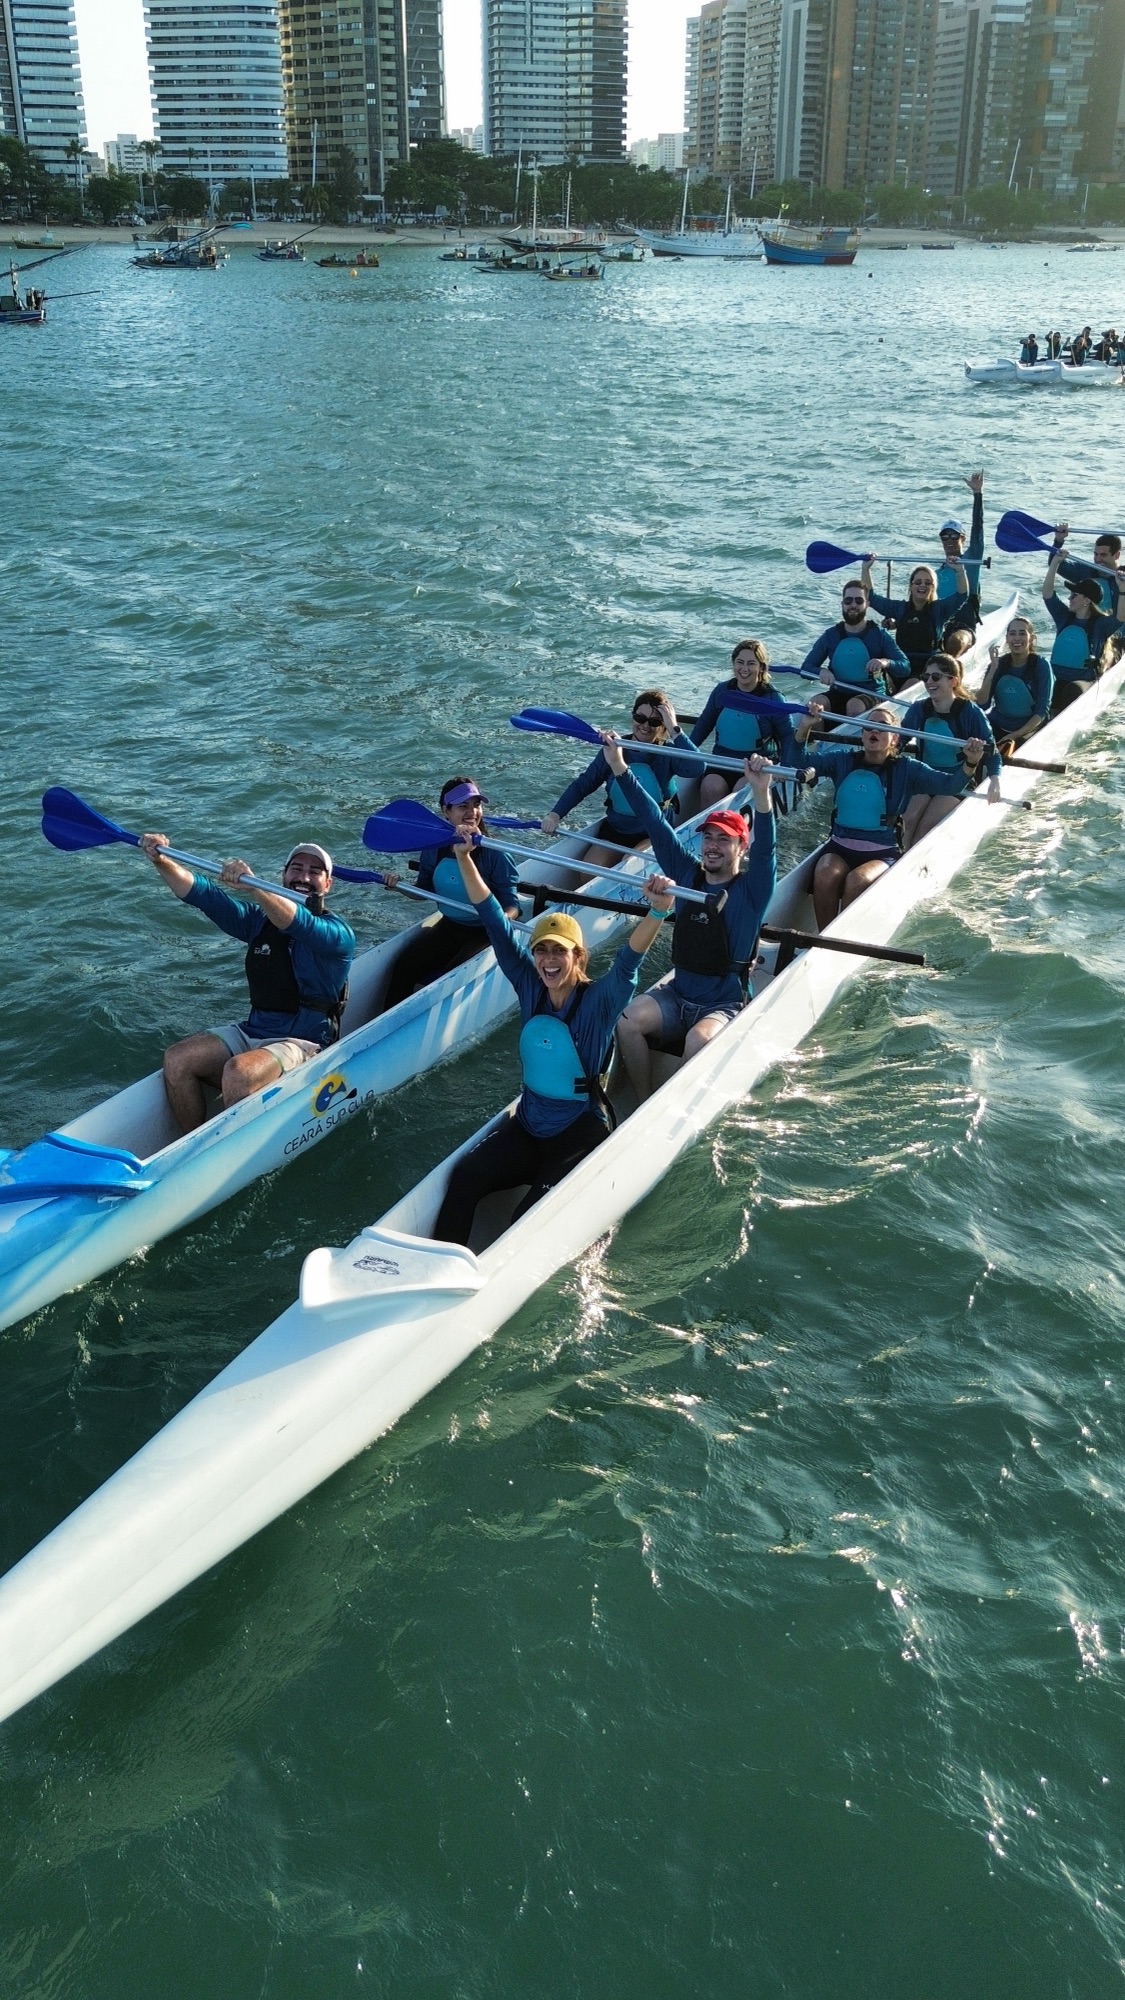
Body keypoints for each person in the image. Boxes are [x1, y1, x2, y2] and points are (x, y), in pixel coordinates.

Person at [431, 856, 673, 1245]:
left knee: (524, 1220)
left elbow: (629, 962)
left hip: (579, 1129)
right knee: (465, 1176)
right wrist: (462, 857)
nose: (548, 960)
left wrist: (657, 911)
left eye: (559, 951)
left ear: (578, 956)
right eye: (541, 950)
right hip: (528, 1124)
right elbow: (493, 917)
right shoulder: (530, 986)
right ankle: (438, 1267)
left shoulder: (600, 1001)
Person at [138, 835, 356, 1133]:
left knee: (238, 1072)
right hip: (253, 1031)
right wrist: (161, 860)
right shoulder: (257, 921)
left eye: (315, 872)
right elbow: (203, 894)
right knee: (177, 1058)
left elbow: (298, 923)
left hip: (304, 1043)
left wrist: (253, 886)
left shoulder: (338, 934)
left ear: (327, 884)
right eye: (296, 868)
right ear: (283, 876)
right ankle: (190, 1147)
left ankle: (229, 1156)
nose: (304, 877)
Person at [601, 743, 776, 1102]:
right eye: (707, 837)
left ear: (742, 848)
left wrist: (762, 792)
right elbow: (654, 819)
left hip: (722, 1006)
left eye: (723, 840)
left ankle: (676, 1107)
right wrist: (620, 767)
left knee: (698, 1040)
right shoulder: (685, 872)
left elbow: (767, 849)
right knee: (627, 1020)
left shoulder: (753, 889)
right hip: (677, 995)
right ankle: (643, 1098)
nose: (712, 846)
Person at [793, 705, 971, 927]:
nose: (873, 731)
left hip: (882, 852)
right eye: (868, 727)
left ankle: (841, 939)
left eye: (881, 727)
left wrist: (970, 762)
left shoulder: (908, 769)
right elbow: (797, 762)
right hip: (839, 846)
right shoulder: (842, 760)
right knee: (825, 873)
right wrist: (805, 727)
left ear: (895, 739)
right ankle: (821, 939)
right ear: (862, 734)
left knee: (856, 881)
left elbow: (950, 785)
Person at [379, 778, 521, 1011]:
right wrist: (398, 886)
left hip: (487, 932)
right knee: (403, 965)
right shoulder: (434, 848)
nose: (472, 812)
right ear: (446, 811)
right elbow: (423, 890)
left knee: (451, 975)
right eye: (463, 806)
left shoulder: (496, 854)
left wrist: (502, 919)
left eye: (476, 805)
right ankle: (383, 1023)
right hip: (450, 925)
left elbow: (512, 905)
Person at [541, 690, 698, 869]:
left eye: (654, 721)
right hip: (616, 828)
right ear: (633, 717)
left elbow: (697, 768)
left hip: (654, 832)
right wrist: (555, 814)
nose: (645, 725)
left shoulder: (668, 753)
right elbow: (584, 784)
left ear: (662, 726)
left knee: (629, 864)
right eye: (640, 718)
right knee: (589, 868)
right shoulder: (614, 749)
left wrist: (675, 729)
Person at [897, 653, 1001, 846]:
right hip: (925, 776)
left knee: (926, 827)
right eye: (925, 677)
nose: (929, 682)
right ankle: (890, 863)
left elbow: (992, 751)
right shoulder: (919, 708)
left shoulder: (970, 712)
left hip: (957, 779)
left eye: (936, 677)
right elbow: (899, 740)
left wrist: (994, 779)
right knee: (906, 821)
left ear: (953, 681)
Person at [689, 639, 793, 809]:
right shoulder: (722, 691)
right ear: (733, 664)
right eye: (740, 662)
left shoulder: (773, 698)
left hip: (756, 766)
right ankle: (709, 832)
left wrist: (786, 765)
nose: (744, 669)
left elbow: (788, 735)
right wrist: (684, 753)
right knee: (710, 786)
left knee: (740, 791)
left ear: (761, 667)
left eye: (751, 663)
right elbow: (703, 726)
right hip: (721, 762)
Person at [799, 580, 909, 717]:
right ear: (842, 604)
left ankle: (855, 738)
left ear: (867, 604)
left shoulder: (879, 635)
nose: (853, 605)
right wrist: (821, 671)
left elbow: (905, 667)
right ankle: (816, 738)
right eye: (848, 601)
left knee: (854, 705)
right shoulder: (830, 635)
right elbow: (805, 669)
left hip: (872, 694)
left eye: (859, 601)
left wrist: (885, 662)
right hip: (839, 691)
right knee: (815, 703)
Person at [860, 557, 970, 692]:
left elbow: (962, 596)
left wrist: (960, 571)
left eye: (927, 583)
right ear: (911, 586)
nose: (922, 585)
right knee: (877, 677)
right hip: (901, 662)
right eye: (918, 582)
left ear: (933, 587)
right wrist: (865, 568)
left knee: (910, 684)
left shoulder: (939, 609)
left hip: (927, 666)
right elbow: (871, 597)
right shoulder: (899, 608)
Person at [1040, 549, 1123, 713]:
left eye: (1074, 595)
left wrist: (1122, 590)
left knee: (1072, 691)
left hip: (1083, 684)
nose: (1069, 598)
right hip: (1057, 678)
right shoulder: (1063, 617)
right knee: (1041, 683)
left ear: (1087, 600)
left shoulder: (1100, 625)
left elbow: (1121, 617)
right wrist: (1055, 563)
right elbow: (1047, 593)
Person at [975, 615, 1054, 751]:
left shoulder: (1041, 666)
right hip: (999, 723)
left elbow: (1041, 712)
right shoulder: (998, 664)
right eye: (1012, 634)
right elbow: (982, 703)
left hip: (1027, 728)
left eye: (1022, 633)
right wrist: (993, 669)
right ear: (1007, 639)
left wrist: (1014, 735)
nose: (1017, 638)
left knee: (1017, 746)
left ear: (1031, 639)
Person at [1053, 525, 1125, 622]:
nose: (1098, 559)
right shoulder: (1085, 571)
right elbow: (1056, 565)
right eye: (1096, 554)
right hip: (1093, 632)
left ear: (1117, 555)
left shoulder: (1123, 577)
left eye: (1103, 555)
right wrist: (1058, 541)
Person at [936, 471, 985, 599]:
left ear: (963, 539)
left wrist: (977, 493)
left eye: (954, 536)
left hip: (964, 616)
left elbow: (977, 528)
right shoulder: (938, 571)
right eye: (945, 537)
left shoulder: (972, 558)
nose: (949, 540)